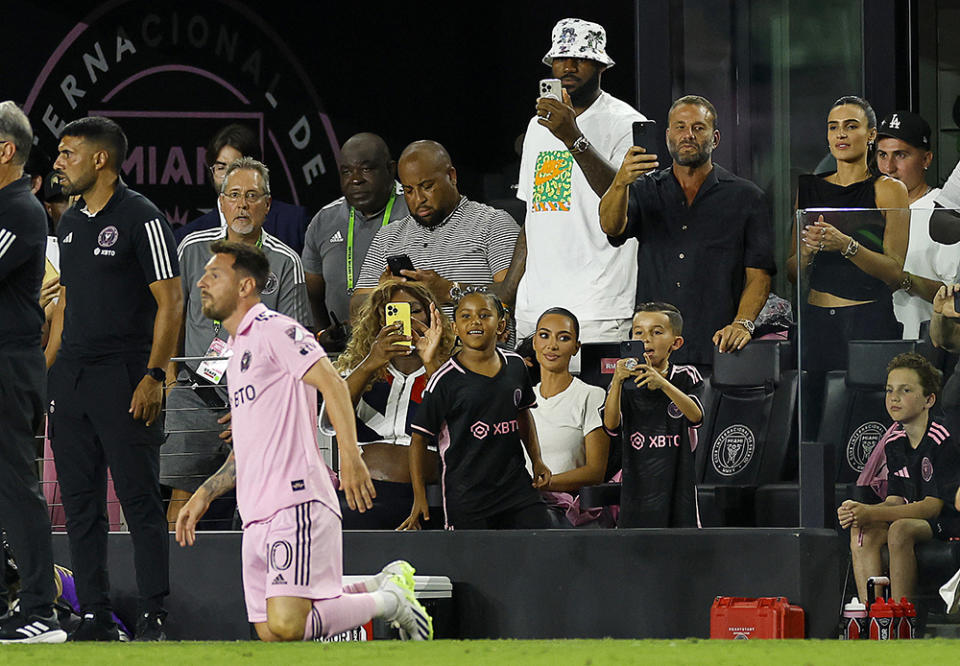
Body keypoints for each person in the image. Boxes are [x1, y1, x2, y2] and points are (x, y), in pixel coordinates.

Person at [175, 240, 432, 641]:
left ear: (245, 286)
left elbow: (330, 380)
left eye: (214, 274)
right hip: (256, 512)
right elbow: (245, 447)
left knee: (288, 623)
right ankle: (376, 586)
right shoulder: (239, 348)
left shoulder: (275, 329)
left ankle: (392, 602)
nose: (202, 282)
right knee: (269, 632)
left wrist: (350, 456)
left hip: (295, 500)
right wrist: (204, 494)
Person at [45, 116, 182, 641]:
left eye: (67, 153)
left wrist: (154, 376)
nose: (58, 163)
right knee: (79, 505)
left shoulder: (142, 216)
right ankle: (95, 612)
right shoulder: (71, 223)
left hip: (126, 377)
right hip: (72, 381)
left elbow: (171, 301)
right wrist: (47, 375)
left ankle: (153, 613)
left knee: (140, 499)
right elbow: (68, 307)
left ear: (100, 159)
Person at [162, 157, 311, 527]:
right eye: (234, 195)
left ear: (267, 205)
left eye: (251, 196)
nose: (242, 205)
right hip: (194, 392)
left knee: (256, 501)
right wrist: (168, 385)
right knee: (183, 498)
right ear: (221, 202)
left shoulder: (285, 261)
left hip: (258, 398)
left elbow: (294, 347)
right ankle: (174, 579)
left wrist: (259, 404)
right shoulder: (193, 249)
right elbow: (172, 321)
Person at [599, 95, 774, 367]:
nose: (688, 135)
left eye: (698, 127)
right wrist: (620, 182)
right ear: (668, 136)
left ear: (715, 138)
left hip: (718, 345)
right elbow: (611, 227)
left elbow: (759, 275)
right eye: (680, 127)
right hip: (654, 352)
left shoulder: (747, 197)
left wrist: (742, 324)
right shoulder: (645, 189)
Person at [514, 18, 647, 342]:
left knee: (598, 395)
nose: (569, 67)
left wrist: (572, 135)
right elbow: (534, 213)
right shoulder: (537, 126)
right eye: (561, 58)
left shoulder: (627, 123)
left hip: (598, 306)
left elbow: (627, 205)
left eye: (581, 58)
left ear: (601, 65)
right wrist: (512, 291)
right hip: (536, 308)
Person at [786, 97, 909, 432]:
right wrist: (808, 253)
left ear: (871, 135)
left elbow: (895, 272)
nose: (841, 134)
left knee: (866, 422)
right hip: (816, 322)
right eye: (833, 127)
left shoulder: (888, 190)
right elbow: (792, 271)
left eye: (851, 126)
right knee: (812, 421)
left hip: (867, 319)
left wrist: (847, 246)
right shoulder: (809, 188)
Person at [401, 290, 553, 530]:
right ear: (454, 327)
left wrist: (537, 460)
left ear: (501, 324)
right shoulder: (444, 379)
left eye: (484, 315)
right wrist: (419, 496)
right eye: (466, 316)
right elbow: (418, 439)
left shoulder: (515, 365)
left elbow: (523, 413)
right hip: (468, 497)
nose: (475, 322)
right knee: (476, 566)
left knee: (542, 547)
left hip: (516, 490)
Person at [0, 101, 66, 643]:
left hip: (9, 363)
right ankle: (7, 600)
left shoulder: (21, 209)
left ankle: (40, 609)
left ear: (6, 151)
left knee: (18, 486)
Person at [351, 141, 520, 322]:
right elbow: (355, 311)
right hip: (408, 348)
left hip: (473, 349)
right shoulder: (387, 237)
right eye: (409, 190)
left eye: (427, 186)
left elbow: (514, 296)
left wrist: (450, 291)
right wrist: (382, 294)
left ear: (452, 176)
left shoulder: (493, 224)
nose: (419, 199)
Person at [839, 353, 960, 604]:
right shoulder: (894, 442)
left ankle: (899, 619)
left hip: (946, 521)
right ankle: (872, 616)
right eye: (889, 390)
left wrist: (873, 513)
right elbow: (896, 499)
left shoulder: (942, 438)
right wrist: (861, 511)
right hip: (914, 516)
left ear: (929, 400)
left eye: (905, 390)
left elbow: (932, 506)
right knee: (862, 530)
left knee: (900, 530)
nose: (894, 397)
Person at [331, 280, 453, 528]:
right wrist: (370, 363)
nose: (405, 319)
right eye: (394, 311)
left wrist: (430, 362)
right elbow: (331, 418)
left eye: (415, 310)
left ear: (432, 316)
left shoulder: (450, 370)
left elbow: (457, 421)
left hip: (428, 498)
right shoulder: (358, 369)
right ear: (380, 320)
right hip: (360, 495)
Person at [603, 303, 703, 527]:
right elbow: (610, 425)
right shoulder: (623, 380)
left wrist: (663, 384)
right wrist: (617, 381)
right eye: (639, 332)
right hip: (636, 485)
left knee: (683, 550)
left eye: (656, 332)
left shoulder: (687, 376)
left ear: (675, 343)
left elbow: (696, 416)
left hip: (678, 482)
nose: (646, 339)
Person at [302, 133, 408, 330]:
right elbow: (312, 296)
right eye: (346, 172)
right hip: (344, 352)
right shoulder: (323, 221)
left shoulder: (415, 212)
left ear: (390, 169)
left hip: (404, 347)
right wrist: (323, 336)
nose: (356, 180)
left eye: (366, 169)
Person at [528, 307, 610, 525]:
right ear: (535, 341)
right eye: (544, 336)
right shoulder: (522, 399)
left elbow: (595, 472)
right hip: (522, 503)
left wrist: (543, 484)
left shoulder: (591, 396)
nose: (552, 345)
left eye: (563, 338)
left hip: (565, 510)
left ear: (576, 347)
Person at [174, 124, 310, 253]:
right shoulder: (188, 238)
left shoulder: (293, 223)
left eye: (235, 167)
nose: (228, 176)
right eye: (221, 168)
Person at [874, 111, 947, 339]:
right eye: (882, 155)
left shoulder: (944, 211)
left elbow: (952, 293)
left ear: (926, 159)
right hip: (868, 342)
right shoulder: (864, 210)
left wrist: (902, 279)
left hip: (924, 348)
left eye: (901, 155)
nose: (889, 167)